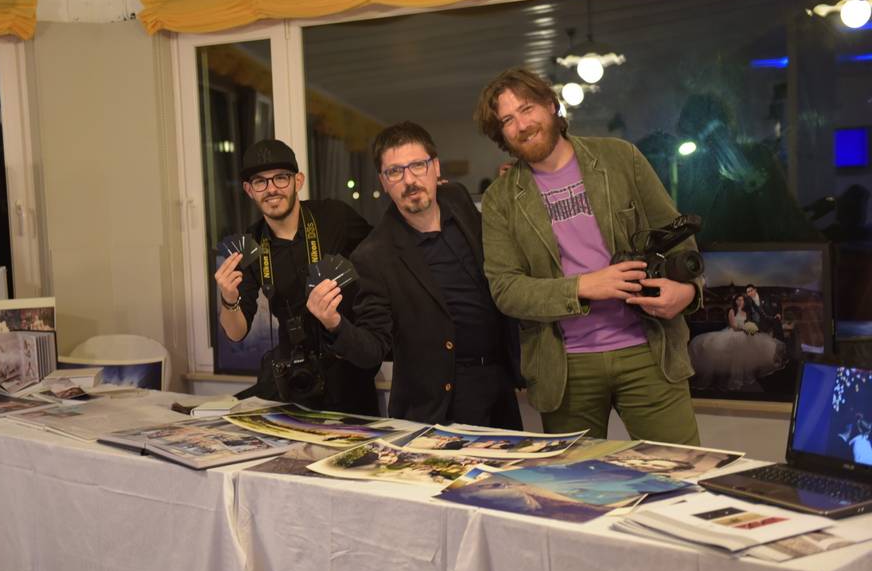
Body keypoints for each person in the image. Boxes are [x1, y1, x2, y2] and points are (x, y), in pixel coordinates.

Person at [474, 67, 700, 444]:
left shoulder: (619, 158)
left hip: (648, 350)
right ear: (501, 134)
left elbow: (677, 235)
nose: (522, 125)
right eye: (507, 120)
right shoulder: (500, 199)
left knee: (683, 474)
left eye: (527, 109)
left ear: (551, 105)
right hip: (564, 367)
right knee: (576, 491)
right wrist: (582, 286)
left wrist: (689, 292)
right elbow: (506, 289)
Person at [307, 121, 522, 428]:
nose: (409, 180)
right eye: (395, 172)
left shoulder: (458, 199)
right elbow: (373, 350)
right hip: (438, 405)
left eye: (418, 166)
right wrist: (334, 324)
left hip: (499, 388)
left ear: (435, 168)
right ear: (383, 181)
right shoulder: (372, 256)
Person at [214, 139, 379, 415]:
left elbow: (381, 253)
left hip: (348, 371)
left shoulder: (334, 217)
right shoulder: (252, 244)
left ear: (298, 181)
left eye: (281, 178)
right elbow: (236, 332)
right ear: (248, 190)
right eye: (260, 182)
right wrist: (228, 299)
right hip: (294, 380)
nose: (271, 189)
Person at [688, 294, 786, 391]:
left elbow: (752, 322)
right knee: (727, 350)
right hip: (733, 333)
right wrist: (745, 328)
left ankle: (742, 379)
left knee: (748, 353)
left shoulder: (747, 312)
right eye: (738, 300)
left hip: (745, 334)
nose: (739, 302)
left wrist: (751, 328)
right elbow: (733, 325)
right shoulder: (732, 311)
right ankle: (723, 380)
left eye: (741, 300)